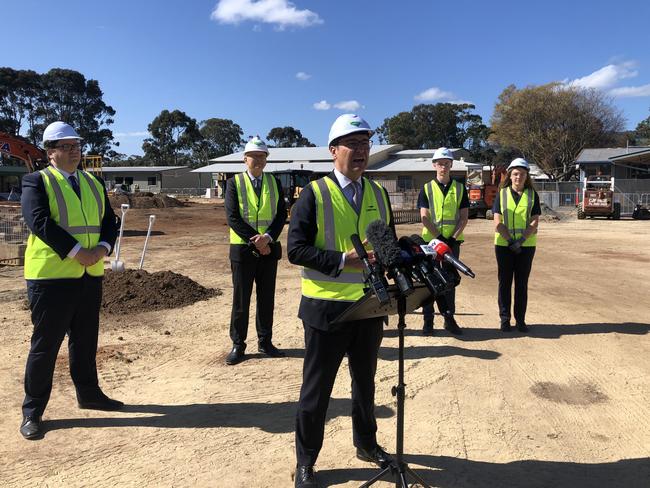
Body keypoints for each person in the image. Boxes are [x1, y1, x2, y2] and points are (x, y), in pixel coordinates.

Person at [288, 114, 394, 488]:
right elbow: (295, 249)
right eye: (353, 144)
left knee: (365, 384)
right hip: (325, 310)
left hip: (368, 306)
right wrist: (339, 260)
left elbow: (386, 245)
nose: (361, 152)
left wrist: (394, 257)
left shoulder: (379, 194)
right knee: (316, 391)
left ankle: (366, 444)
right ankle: (306, 463)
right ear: (334, 152)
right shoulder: (314, 195)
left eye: (366, 145)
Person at [19, 121, 121, 440]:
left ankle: (89, 393)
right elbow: (39, 222)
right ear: (51, 153)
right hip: (51, 277)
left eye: (77, 146)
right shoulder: (36, 181)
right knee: (46, 345)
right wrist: (78, 252)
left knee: (85, 339)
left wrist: (103, 248)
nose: (74, 152)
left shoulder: (92, 183)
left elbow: (109, 222)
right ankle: (33, 411)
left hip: (89, 275)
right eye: (66, 147)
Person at [224, 136, 287, 365]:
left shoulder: (274, 182)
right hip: (243, 250)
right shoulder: (234, 183)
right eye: (254, 156)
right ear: (245, 159)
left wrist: (268, 237)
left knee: (266, 298)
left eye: (262, 156)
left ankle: (265, 341)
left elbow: (281, 214)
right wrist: (256, 240)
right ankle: (238, 345)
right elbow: (232, 217)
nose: (259, 160)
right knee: (241, 300)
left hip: (269, 249)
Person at [418, 147, 468, 335]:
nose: (443, 167)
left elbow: (463, 217)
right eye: (440, 163)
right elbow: (424, 217)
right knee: (429, 281)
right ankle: (428, 321)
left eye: (447, 164)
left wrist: (451, 239)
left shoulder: (460, 188)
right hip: (430, 243)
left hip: (452, 243)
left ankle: (449, 319)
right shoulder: (427, 188)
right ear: (434, 165)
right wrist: (438, 238)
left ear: (451, 165)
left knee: (449, 282)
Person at [493, 158, 541, 332]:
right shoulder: (502, 194)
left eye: (521, 174)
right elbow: (497, 220)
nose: (518, 177)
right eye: (515, 174)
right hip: (504, 246)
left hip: (525, 246)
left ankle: (520, 320)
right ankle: (504, 319)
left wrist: (520, 241)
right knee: (504, 282)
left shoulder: (532, 195)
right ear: (510, 175)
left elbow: (535, 221)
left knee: (521, 283)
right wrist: (510, 241)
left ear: (526, 175)